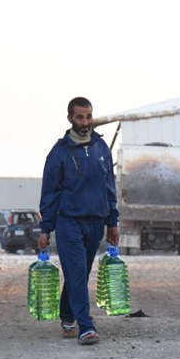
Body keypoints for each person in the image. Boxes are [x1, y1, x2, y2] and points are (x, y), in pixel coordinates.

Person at [38, 97, 120, 346]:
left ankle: (67, 316)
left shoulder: (101, 148)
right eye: (80, 117)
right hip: (69, 223)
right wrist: (45, 229)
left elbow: (109, 187)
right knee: (75, 272)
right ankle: (86, 326)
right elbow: (50, 193)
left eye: (88, 117)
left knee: (79, 275)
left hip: (95, 222)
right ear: (70, 119)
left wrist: (112, 221)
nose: (85, 122)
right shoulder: (59, 152)